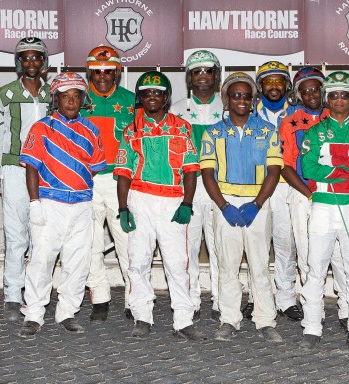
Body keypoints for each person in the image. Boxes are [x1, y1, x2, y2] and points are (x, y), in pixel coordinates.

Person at [114, 71, 206, 341]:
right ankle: (142, 316)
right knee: (138, 261)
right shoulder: (131, 130)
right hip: (140, 200)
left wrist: (187, 203)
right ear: (140, 98)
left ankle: (183, 320)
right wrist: (123, 208)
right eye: (146, 93)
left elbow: (190, 169)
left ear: (166, 97)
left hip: (172, 201)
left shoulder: (182, 127)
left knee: (178, 264)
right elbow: (123, 173)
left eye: (158, 92)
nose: (152, 97)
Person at [17, 72, 106, 337]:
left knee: (78, 262)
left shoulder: (91, 130)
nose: (70, 101)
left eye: (76, 96)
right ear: (55, 99)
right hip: (50, 203)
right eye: (65, 96)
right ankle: (34, 314)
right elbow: (31, 168)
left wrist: (85, 198)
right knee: (42, 260)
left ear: (82, 100)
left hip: (80, 205)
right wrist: (35, 203)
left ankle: (67, 312)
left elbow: (94, 169)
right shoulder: (41, 128)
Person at [299, 71, 349, 350]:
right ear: (326, 99)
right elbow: (308, 168)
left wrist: (331, 161)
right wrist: (346, 164)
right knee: (316, 268)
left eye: (344, 94)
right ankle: (312, 326)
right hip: (322, 206)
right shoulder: (315, 132)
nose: (339, 100)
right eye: (333, 95)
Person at [201, 72, 283, 342]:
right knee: (228, 266)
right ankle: (229, 320)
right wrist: (223, 206)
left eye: (246, 96)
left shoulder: (268, 131)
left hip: (257, 205)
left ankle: (265, 320)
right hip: (225, 204)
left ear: (253, 99)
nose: (241, 101)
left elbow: (274, 171)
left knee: (260, 265)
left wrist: (257, 205)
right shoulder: (212, 133)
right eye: (236, 95)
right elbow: (207, 174)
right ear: (226, 99)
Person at [279, 67, 349, 329]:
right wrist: (309, 194)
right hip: (303, 195)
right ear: (298, 94)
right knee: (308, 254)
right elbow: (285, 165)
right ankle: (313, 310)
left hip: (336, 194)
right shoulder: (290, 122)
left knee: (341, 254)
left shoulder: (337, 117)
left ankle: (346, 308)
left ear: (324, 90)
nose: (311, 94)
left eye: (316, 89)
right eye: (305, 90)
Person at [0, 37, 51, 321]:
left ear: (44, 62)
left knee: (41, 235)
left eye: (36, 57)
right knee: (16, 237)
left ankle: (36, 294)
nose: (31, 63)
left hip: (48, 173)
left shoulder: (55, 93)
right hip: (16, 170)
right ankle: (13, 294)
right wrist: (6, 169)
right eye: (25, 58)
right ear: (18, 63)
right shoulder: (5, 94)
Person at [83, 46, 136, 323]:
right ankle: (100, 297)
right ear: (89, 71)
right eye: (96, 71)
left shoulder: (131, 101)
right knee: (90, 243)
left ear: (118, 71)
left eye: (108, 71)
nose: (102, 76)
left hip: (120, 180)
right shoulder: (78, 99)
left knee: (127, 240)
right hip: (88, 180)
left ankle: (133, 298)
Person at [170, 50, 222, 321]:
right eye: (197, 72)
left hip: (218, 187)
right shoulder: (176, 109)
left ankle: (219, 299)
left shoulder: (227, 106)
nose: (203, 77)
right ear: (189, 78)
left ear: (216, 75)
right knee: (188, 248)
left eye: (208, 71)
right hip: (188, 186)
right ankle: (190, 300)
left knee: (218, 246)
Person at [254, 61, 302, 321]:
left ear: (287, 85)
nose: (274, 86)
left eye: (279, 81)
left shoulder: (297, 113)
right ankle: (255, 296)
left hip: (285, 186)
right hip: (255, 186)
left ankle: (286, 298)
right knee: (257, 244)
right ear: (260, 85)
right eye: (268, 81)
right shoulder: (246, 110)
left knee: (286, 243)